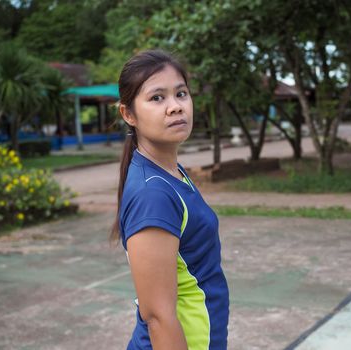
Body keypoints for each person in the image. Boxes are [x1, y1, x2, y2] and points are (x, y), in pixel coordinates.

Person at [110, 49, 229, 350]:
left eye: (181, 94)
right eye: (157, 98)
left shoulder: (171, 172)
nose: (175, 107)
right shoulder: (153, 194)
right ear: (128, 114)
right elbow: (158, 317)